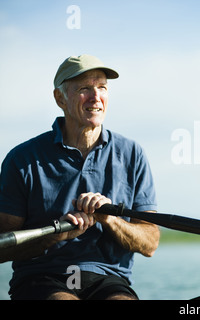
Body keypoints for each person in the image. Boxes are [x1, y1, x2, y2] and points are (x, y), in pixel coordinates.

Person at [0, 54, 160, 300]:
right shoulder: (22, 159)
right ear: (59, 98)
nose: (96, 97)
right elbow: (2, 247)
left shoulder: (132, 153)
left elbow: (150, 243)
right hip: (42, 277)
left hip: (109, 279)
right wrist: (56, 234)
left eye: (102, 88)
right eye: (85, 89)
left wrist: (110, 219)